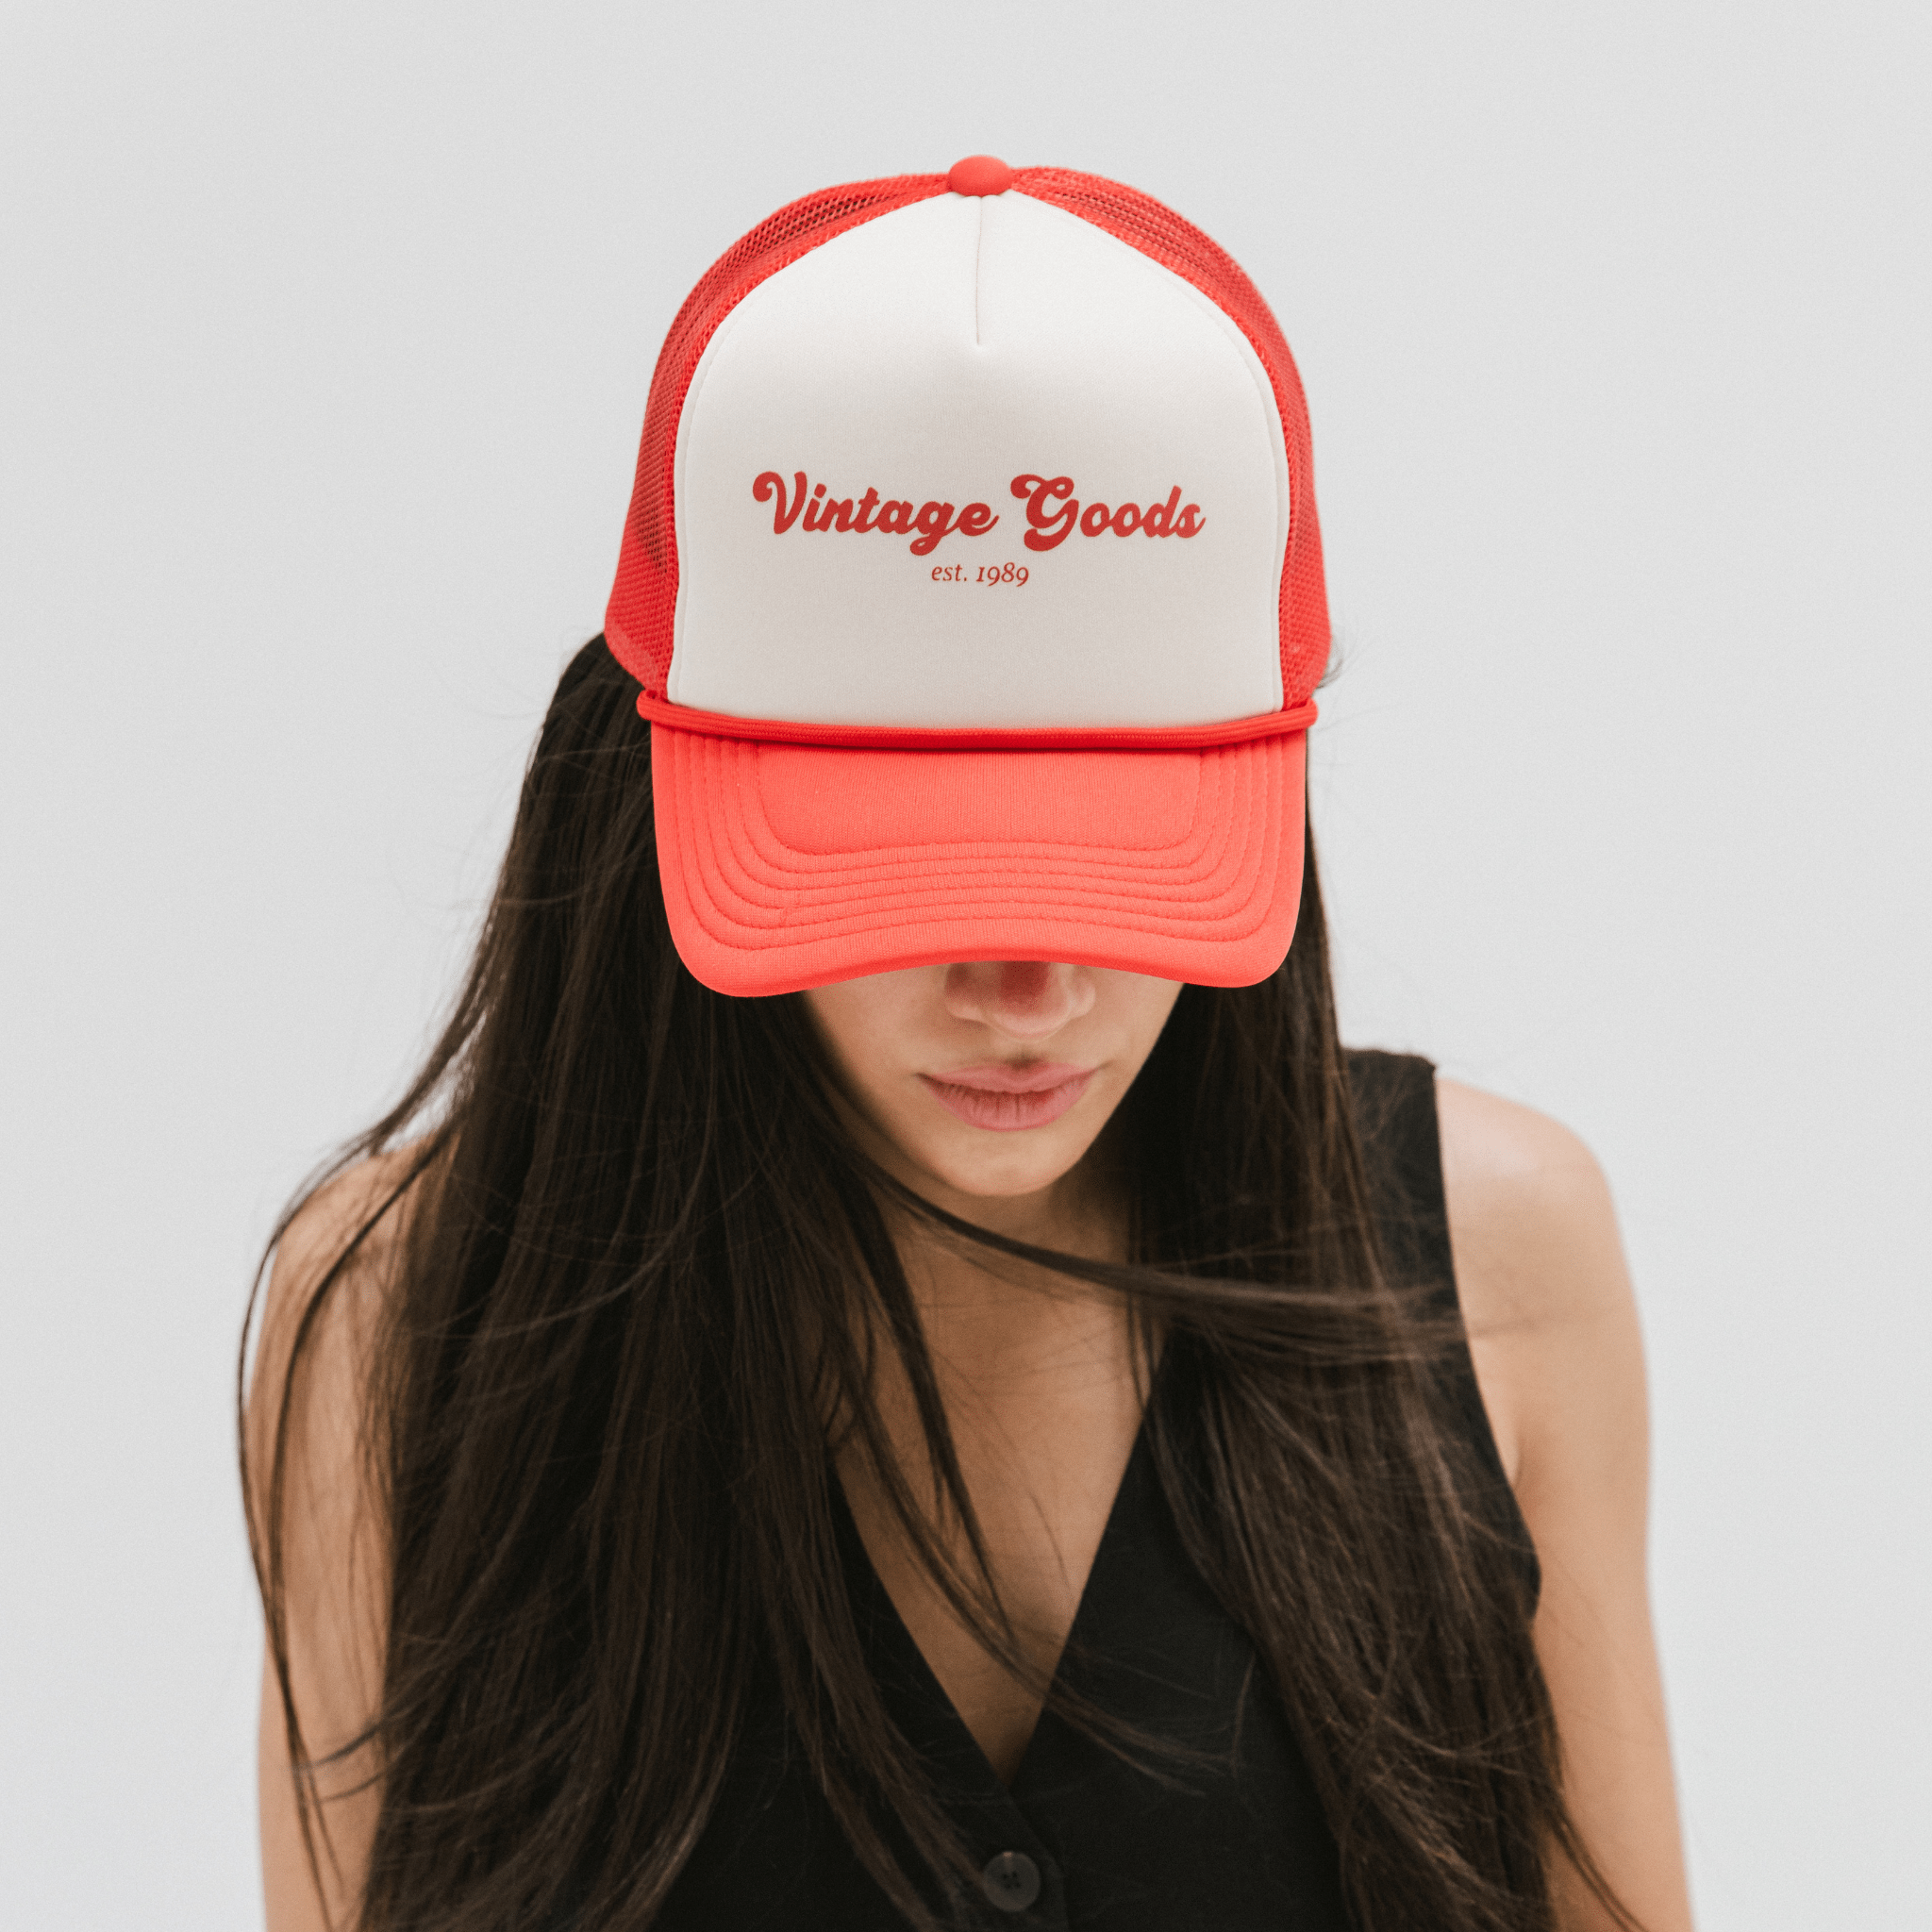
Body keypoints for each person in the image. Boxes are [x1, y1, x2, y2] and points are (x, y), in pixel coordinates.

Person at [242, 158, 1694, 1932]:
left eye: (1117, 862)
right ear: (665, 786)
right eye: (903, 871)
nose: (1026, 987)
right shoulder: (399, 1312)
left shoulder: (1496, 1256)